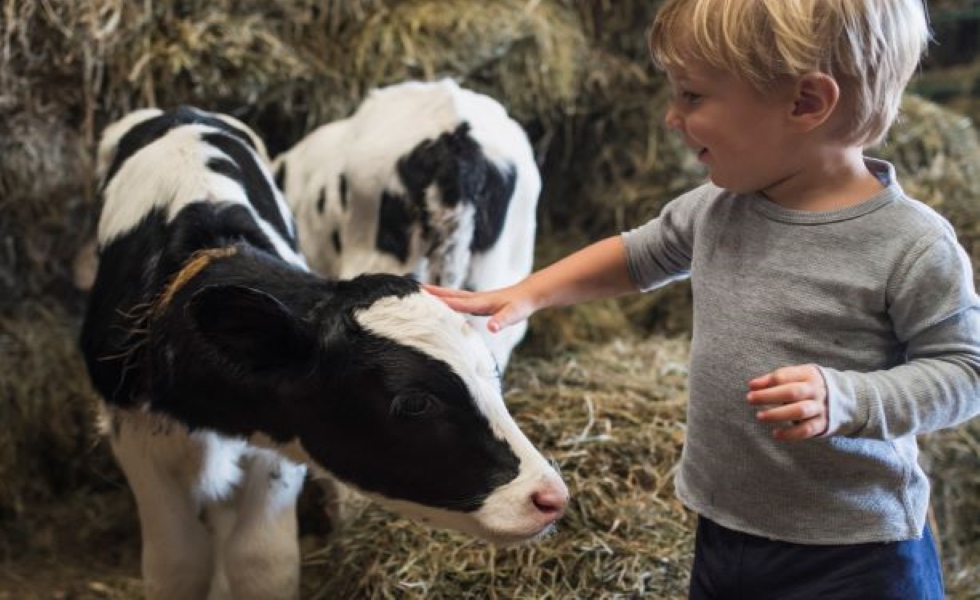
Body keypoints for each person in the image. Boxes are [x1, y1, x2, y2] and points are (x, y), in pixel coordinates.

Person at [425, 1, 980, 598]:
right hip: (727, 528)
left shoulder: (911, 244)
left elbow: (965, 371)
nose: (671, 118)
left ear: (806, 103)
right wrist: (530, 293)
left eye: (692, 96)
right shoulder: (719, 207)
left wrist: (851, 398)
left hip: (856, 553)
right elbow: (640, 254)